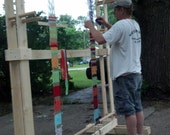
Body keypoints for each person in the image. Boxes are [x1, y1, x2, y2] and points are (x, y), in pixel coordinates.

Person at [84, 0, 144, 135]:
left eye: (115, 9)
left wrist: (91, 27)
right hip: (135, 73)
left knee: (129, 111)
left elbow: (100, 39)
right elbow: (119, 34)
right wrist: (105, 24)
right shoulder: (134, 24)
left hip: (124, 75)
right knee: (137, 108)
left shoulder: (120, 25)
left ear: (122, 10)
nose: (113, 12)